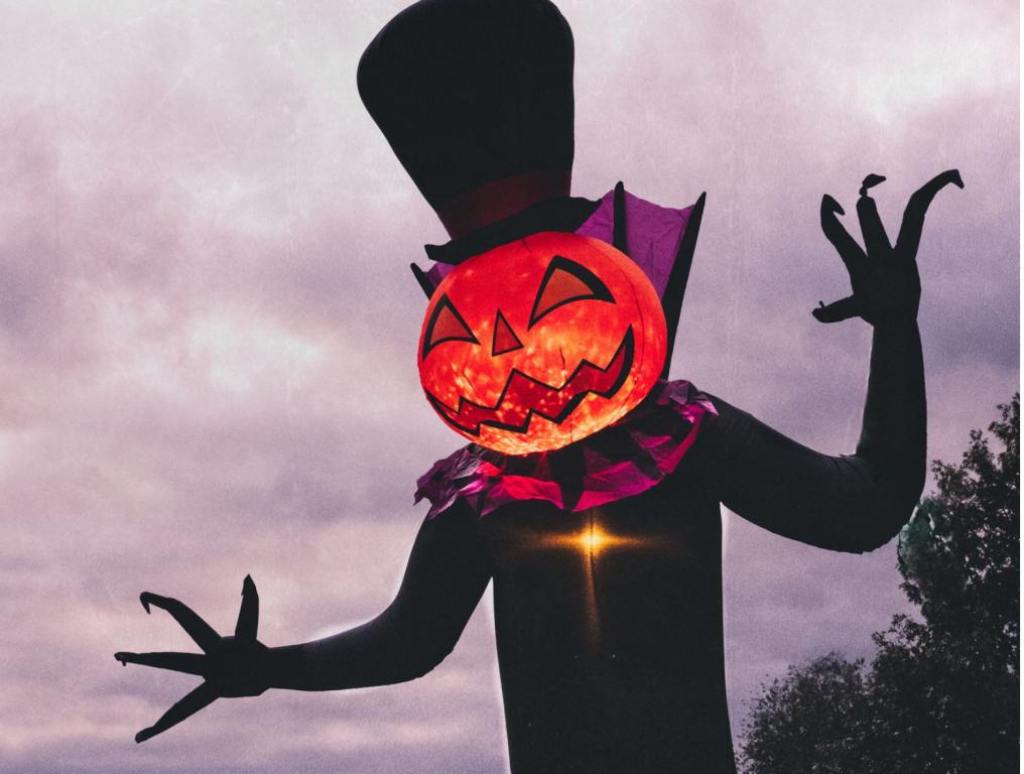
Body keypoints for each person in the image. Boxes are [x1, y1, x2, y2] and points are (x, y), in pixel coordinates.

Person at [115, 2, 962, 771]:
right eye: (471, 320)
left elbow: (866, 507)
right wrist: (267, 669)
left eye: (558, 297)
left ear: (614, 267)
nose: (521, 349)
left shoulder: (682, 436)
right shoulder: (481, 498)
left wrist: (896, 328)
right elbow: (409, 640)